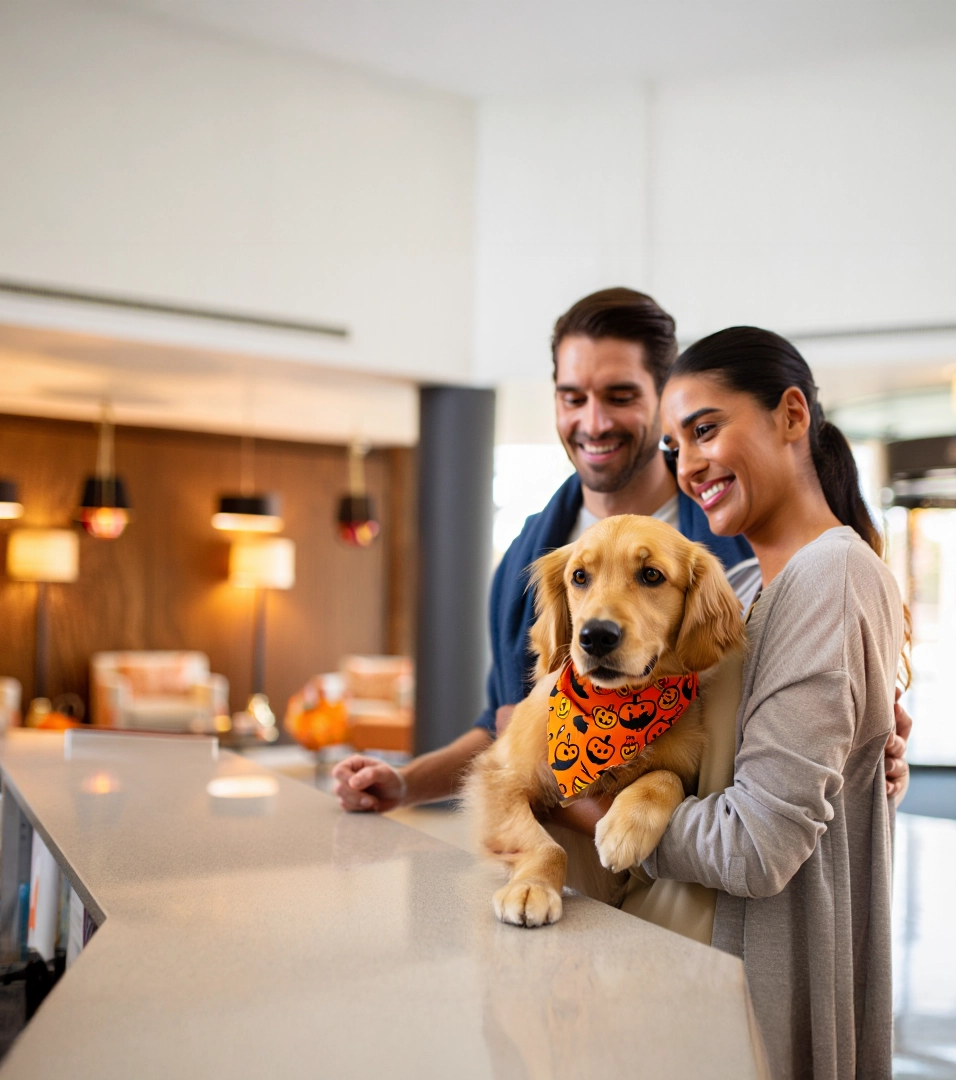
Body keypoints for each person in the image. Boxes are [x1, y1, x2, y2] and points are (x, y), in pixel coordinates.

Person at [332, 290, 912, 815]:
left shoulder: (738, 540)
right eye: (572, 397)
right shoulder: (529, 559)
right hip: (552, 878)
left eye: (619, 395)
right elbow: (502, 723)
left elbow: (801, 723)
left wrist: (864, 752)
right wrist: (406, 784)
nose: (594, 421)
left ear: (662, 400)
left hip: (688, 882)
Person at [638, 326, 903, 1076]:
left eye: (705, 429)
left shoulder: (834, 575)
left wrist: (604, 816)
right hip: (708, 984)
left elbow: (756, 846)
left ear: (792, 415)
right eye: (674, 446)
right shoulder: (747, 589)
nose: (688, 465)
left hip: (766, 1002)